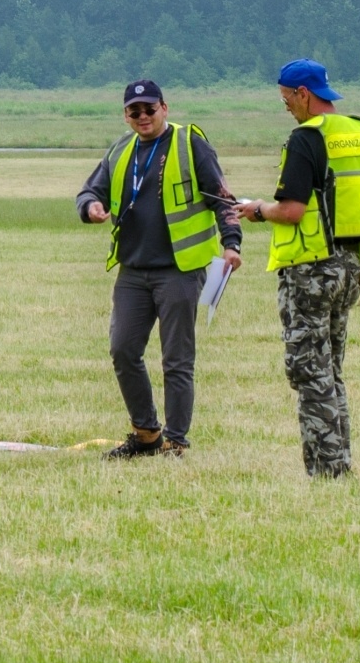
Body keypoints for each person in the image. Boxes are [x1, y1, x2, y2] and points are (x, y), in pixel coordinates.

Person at [233, 59, 360, 479]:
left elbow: (290, 210)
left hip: (310, 270)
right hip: (350, 266)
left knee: (310, 372)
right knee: (331, 371)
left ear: (303, 93)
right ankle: (341, 463)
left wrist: (256, 210)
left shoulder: (307, 138)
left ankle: (327, 470)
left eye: (287, 99)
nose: (287, 107)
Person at [77, 79, 242, 459]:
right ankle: (146, 434)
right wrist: (90, 209)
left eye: (150, 109)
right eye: (134, 111)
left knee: (176, 360)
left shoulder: (189, 143)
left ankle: (176, 441)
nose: (143, 117)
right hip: (133, 270)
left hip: (179, 270)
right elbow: (89, 192)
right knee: (123, 350)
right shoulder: (121, 149)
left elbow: (223, 198)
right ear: (126, 115)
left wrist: (231, 243)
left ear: (165, 108)